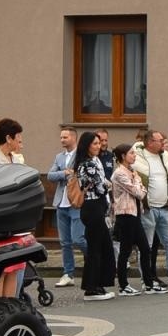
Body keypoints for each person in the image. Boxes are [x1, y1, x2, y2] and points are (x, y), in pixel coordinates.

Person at [72, 130, 122, 300]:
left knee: (101, 246)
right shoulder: (87, 164)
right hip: (92, 207)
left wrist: (105, 184)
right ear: (86, 145)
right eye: (94, 143)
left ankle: (97, 285)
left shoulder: (95, 161)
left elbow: (103, 183)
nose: (98, 146)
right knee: (97, 248)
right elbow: (100, 187)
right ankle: (92, 288)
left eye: (99, 143)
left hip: (98, 207)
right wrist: (107, 185)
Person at [136, 131, 168, 290]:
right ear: (150, 142)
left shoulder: (164, 157)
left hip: (164, 208)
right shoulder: (139, 157)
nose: (164, 143)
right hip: (148, 209)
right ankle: (146, 280)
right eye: (160, 140)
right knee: (146, 246)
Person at [109, 144, 161, 293]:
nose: (134, 156)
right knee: (125, 251)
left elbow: (141, 190)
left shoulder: (132, 171)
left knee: (145, 249)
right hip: (125, 215)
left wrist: (138, 183)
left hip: (135, 214)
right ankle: (123, 285)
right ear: (123, 156)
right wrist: (138, 182)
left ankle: (148, 283)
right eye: (131, 153)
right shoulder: (119, 173)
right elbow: (139, 192)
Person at [48, 128, 86, 288]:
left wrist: (72, 173)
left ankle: (95, 263)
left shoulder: (81, 156)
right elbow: (50, 176)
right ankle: (68, 274)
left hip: (76, 202)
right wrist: (64, 173)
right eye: (61, 137)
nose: (62, 140)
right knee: (65, 242)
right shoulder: (59, 157)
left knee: (79, 238)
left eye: (65, 137)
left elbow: (82, 175)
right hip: (61, 203)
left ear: (73, 138)